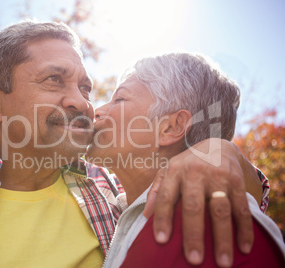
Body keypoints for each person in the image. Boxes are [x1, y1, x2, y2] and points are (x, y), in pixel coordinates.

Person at [0, 21, 268, 267]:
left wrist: (222, 152)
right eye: (54, 80)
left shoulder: (112, 195)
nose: (84, 103)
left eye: (86, 87)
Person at [85, 52, 285, 267]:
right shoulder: (112, 203)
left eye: (120, 99)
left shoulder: (207, 223)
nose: (98, 111)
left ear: (172, 127)